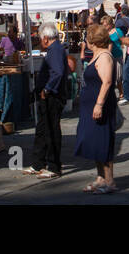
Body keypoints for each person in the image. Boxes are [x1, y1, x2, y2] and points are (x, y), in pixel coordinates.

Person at [74, 23, 119, 193]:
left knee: (102, 141)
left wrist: (99, 104)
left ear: (93, 39)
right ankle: (100, 178)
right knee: (93, 141)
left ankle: (109, 181)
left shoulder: (105, 57)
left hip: (100, 106)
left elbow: (107, 82)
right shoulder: (97, 55)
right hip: (89, 107)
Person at [27, 25, 68, 179]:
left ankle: (54, 166)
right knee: (43, 129)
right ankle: (38, 163)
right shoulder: (55, 50)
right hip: (48, 96)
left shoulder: (56, 50)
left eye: (40, 38)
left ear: (45, 38)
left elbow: (57, 72)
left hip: (52, 97)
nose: (40, 40)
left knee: (51, 130)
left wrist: (47, 89)